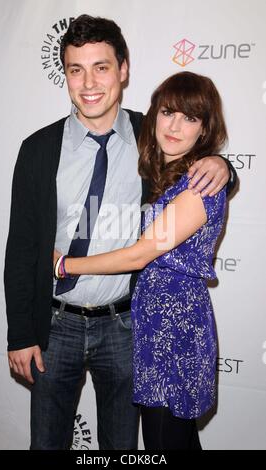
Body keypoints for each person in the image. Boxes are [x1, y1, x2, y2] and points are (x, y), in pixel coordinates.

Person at [4, 15, 236, 450]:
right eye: (76, 69)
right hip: (55, 325)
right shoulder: (37, 149)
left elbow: (194, 154)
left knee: (123, 448)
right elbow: (19, 248)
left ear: (124, 70)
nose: (89, 82)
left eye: (102, 67)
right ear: (66, 76)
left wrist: (225, 166)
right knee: (47, 443)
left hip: (127, 326)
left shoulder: (149, 133)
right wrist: (20, 333)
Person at [54, 70, 229, 450]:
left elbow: (141, 253)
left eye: (191, 118)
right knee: (171, 440)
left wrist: (65, 265)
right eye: (168, 113)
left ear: (204, 129)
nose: (175, 126)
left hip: (175, 328)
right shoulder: (170, 174)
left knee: (165, 441)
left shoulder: (198, 183)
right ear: (154, 116)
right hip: (153, 325)